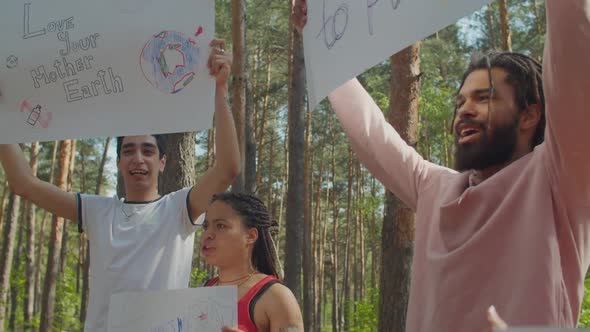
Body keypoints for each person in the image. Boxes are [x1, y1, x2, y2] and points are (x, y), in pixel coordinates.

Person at [292, 0, 590, 331]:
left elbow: (573, 63)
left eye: (484, 98)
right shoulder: (435, 188)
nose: (464, 110)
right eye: (460, 101)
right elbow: (370, 134)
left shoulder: (559, 178)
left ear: (530, 115)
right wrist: (322, 44)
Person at [0, 38, 241, 331]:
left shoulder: (179, 208)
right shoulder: (96, 210)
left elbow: (228, 168)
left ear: (163, 161)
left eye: (148, 151)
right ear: (118, 162)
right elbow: (23, 183)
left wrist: (220, 88)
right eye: (128, 151)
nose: (138, 158)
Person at [200, 192, 303, 332]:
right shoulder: (204, 290)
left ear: (251, 236)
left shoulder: (277, 297)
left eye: (220, 226)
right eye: (205, 226)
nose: (208, 234)